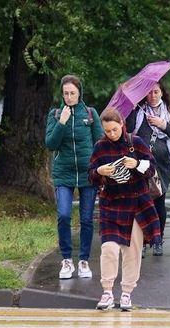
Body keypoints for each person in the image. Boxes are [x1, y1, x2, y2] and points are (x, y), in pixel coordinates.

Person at [88, 107, 161, 310]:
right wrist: (99, 171)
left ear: (121, 124)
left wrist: (136, 163)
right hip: (111, 203)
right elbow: (91, 175)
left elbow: (152, 168)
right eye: (107, 131)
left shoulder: (135, 142)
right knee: (108, 249)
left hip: (137, 203)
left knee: (132, 251)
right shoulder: (100, 146)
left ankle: (127, 293)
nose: (111, 134)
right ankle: (107, 292)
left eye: (114, 129)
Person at [45, 74, 103, 280]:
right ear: (62, 94)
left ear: (79, 93)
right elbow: (50, 144)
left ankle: (84, 261)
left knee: (87, 219)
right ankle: (67, 260)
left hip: (88, 174)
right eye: (66, 93)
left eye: (72, 93)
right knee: (63, 215)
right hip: (63, 173)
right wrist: (61, 123)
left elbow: (100, 143)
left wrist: (101, 169)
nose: (69, 97)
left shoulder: (90, 114)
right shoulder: (55, 115)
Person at [126, 81, 170, 256]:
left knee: (159, 201)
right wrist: (132, 109)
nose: (152, 96)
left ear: (162, 93)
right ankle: (142, 241)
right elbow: (127, 130)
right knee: (141, 202)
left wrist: (163, 125)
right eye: (149, 93)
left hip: (162, 165)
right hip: (141, 163)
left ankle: (158, 239)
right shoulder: (138, 111)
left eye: (156, 92)